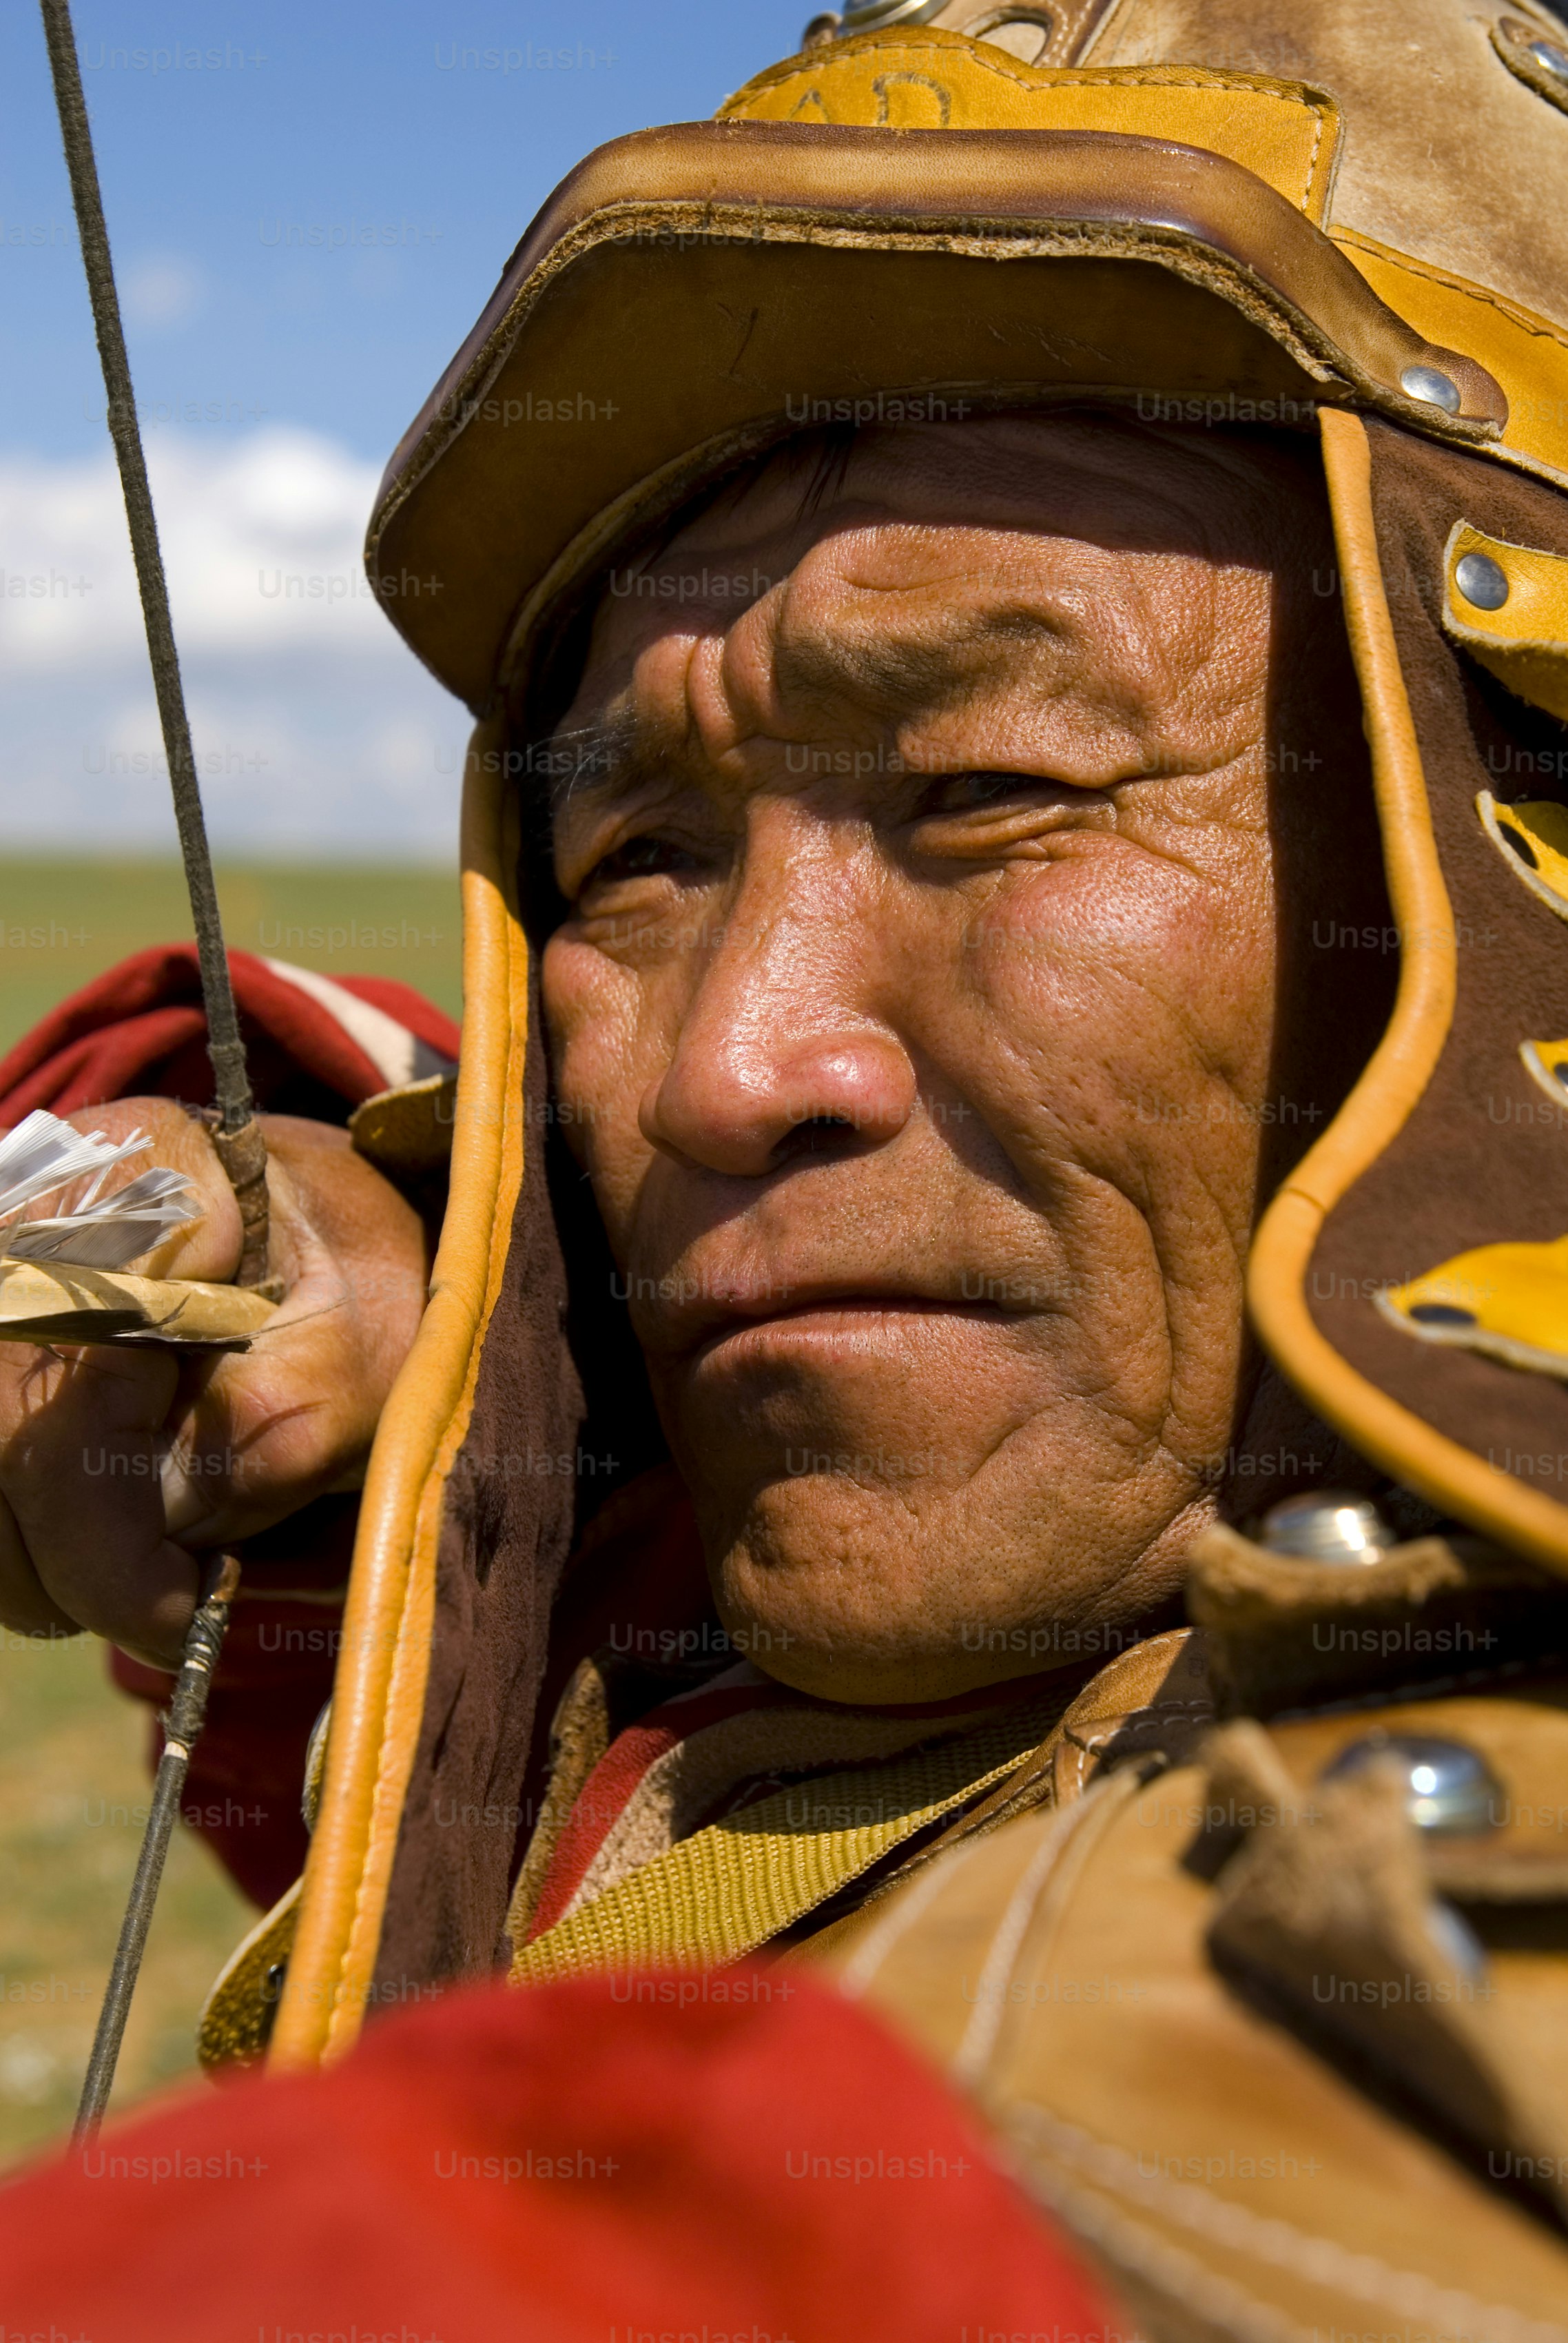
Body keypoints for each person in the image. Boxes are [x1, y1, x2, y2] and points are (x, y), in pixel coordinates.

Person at [6, 0, 1568, 2331]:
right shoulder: (734, 1559)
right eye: (634, 850)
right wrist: (372, 1311)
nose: (730, 1069)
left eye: (988, 796)